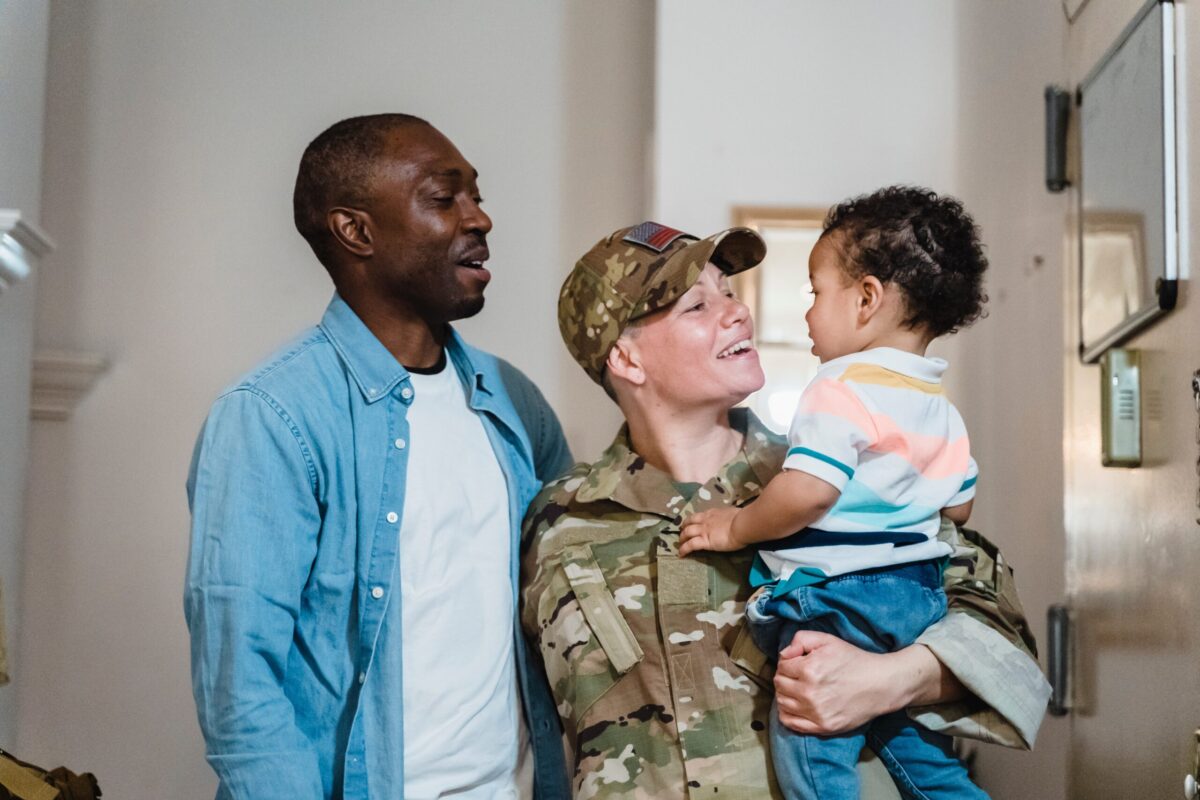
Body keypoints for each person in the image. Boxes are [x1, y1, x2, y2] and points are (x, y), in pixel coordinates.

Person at [521, 221, 1051, 798]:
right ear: (625, 358)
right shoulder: (558, 523)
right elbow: (532, 726)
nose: (737, 312)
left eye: (730, 291)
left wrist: (890, 680)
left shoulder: (846, 471)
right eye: (697, 305)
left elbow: (1006, 642)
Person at [184, 114, 573, 800]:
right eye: (443, 197)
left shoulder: (515, 401)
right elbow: (240, 688)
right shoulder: (272, 416)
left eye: (476, 195)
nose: (479, 218)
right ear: (356, 231)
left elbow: (575, 604)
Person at [679, 187, 989, 799]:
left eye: (815, 293)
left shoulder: (839, 386)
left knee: (808, 744)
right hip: (918, 600)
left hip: (839, 603)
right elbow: (958, 507)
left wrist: (734, 527)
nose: (808, 313)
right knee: (916, 751)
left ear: (868, 298)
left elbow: (809, 494)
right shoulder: (938, 406)